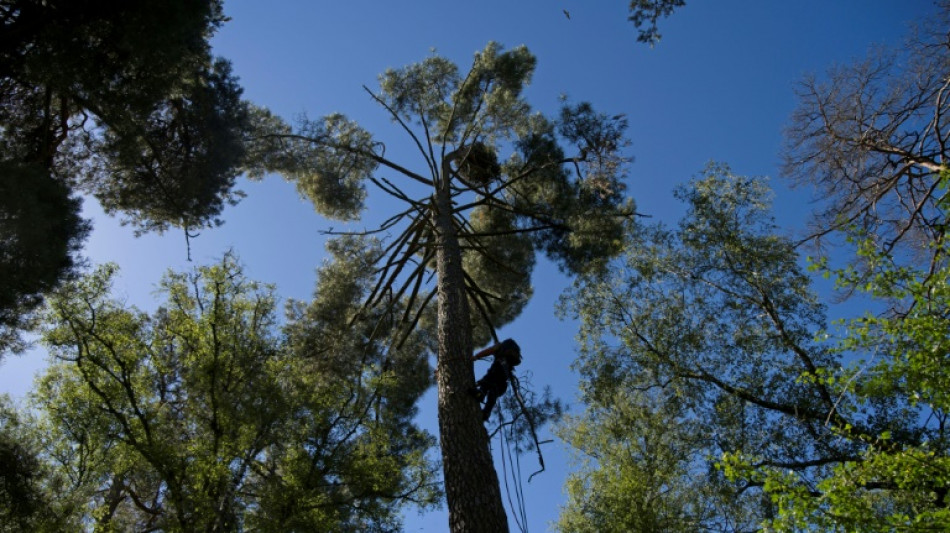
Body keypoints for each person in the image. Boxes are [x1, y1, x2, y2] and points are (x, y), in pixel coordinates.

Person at [471, 338, 521, 421]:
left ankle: (481, 393)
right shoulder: (509, 364)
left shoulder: (500, 349)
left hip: (497, 373)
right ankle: (486, 412)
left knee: (489, 380)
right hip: (502, 382)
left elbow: (489, 351)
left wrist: (476, 356)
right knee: (493, 393)